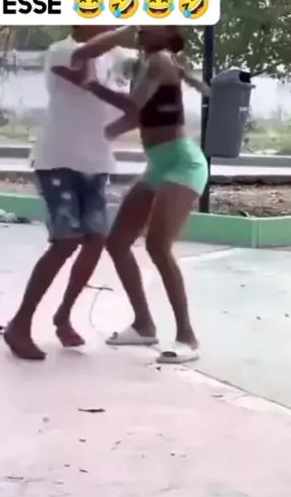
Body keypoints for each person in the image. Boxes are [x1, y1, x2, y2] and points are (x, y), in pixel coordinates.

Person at [61, 24, 210, 364]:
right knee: (117, 243)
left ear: (168, 32)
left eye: (150, 25)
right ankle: (144, 325)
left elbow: (132, 108)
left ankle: (187, 336)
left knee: (158, 246)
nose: (142, 29)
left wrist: (91, 86)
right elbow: (137, 116)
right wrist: (104, 133)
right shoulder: (151, 62)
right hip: (158, 164)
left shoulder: (161, 60)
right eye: (140, 25)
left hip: (183, 164)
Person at [4, 25, 123, 360]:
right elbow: (86, 60)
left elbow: (112, 105)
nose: (109, 23)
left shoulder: (111, 60)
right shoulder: (62, 51)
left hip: (96, 162)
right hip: (58, 160)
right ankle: (20, 324)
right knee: (66, 240)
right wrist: (134, 27)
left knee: (96, 239)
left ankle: (63, 315)